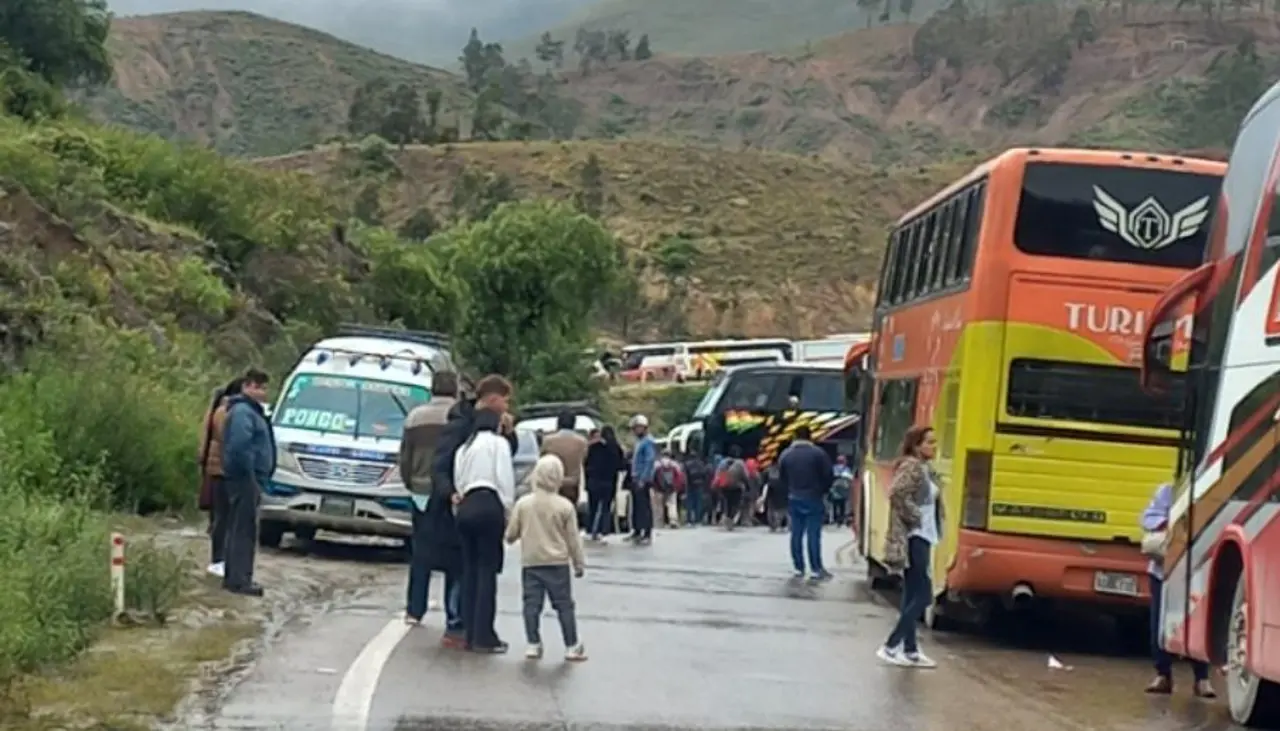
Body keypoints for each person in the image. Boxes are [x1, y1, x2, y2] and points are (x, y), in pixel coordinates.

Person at [452, 376, 517, 654]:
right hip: (488, 504)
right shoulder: (497, 445)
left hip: (466, 506)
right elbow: (504, 480)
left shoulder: (465, 447)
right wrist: (507, 510)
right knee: (487, 571)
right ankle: (484, 635)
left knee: (469, 570)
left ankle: (467, 633)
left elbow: (458, 479)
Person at [399, 370, 463, 644]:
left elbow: (404, 456)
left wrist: (411, 483)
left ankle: (415, 609)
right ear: (455, 389)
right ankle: (453, 612)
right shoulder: (460, 418)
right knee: (453, 552)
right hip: (451, 493)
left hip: (421, 491)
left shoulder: (415, 417)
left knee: (421, 552)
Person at [505, 454, 588, 662]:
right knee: (564, 605)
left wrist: (511, 536)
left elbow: (511, 534)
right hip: (557, 563)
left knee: (531, 605)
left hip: (531, 562)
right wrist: (578, 563)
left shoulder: (524, 504)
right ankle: (571, 645)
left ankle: (533, 643)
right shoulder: (564, 506)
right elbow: (573, 539)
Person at [877, 425, 943, 669]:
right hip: (914, 535)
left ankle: (911, 650)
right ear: (917, 446)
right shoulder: (912, 466)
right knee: (924, 593)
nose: (934, 447)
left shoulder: (925, 468)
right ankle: (890, 645)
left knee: (911, 594)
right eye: (930, 442)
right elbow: (896, 493)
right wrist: (916, 517)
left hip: (924, 534)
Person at [1142, 483, 1215, 697]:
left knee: (1198, 621)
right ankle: (1163, 674)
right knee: (1160, 623)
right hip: (1163, 570)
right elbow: (1148, 517)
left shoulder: (1214, 488)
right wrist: (1168, 523)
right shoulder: (1169, 490)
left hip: (1197, 568)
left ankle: (1202, 678)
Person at [220, 369, 274, 597]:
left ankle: (235, 577)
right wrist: (250, 476)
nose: (262, 392)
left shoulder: (251, 412)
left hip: (248, 478)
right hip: (244, 479)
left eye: (264, 388)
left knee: (239, 528)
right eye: (258, 387)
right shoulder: (243, 413)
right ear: (247, 386)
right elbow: (240, 447)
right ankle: (239, 580)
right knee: (244, 530)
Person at [198, 377, 242, 579]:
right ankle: (218, 560)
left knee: (221, 518)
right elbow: (231, 439)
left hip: (218, 469)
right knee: (223, 519)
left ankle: (221, 560)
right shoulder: (225, 413)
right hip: (222, 470)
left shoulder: (221, 410)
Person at [778, 427, 834, 580]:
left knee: (796, 533)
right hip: (814, 497)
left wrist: (789, 490)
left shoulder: (786, 455)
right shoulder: (819, 454)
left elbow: (781, 476)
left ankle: (798, 567)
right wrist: (822, 490)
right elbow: (828, 475)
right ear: (810, 437)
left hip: (794, 496)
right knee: (813, 534)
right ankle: (816, 568)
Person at [585, 426, 625, 541]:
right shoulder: (616, 448)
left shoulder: (594, 447)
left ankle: (591, 530)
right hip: (610, 481)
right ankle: (604, 531)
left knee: (593, 506)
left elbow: (586, 463)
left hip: (594, 480)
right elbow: (621, 465)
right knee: (606, 508)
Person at [541, 410, 589, 506]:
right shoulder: (582, 442)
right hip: (572, 485)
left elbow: (542, 460)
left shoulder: (548, 441)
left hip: (552, 483)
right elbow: (584, 459)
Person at [628, 415, 657, 545]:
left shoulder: (648, 442)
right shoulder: (639, 442)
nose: (635, 431)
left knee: (644, 506)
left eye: (637, 428)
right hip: (636, 477)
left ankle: (646, 531)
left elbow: (649, 461)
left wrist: (643, 478)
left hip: (642, 478)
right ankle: (637, 530)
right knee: (637, 506)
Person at [712, 445, 749, 530]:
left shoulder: (723, 462)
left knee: (727, 504)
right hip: (736, 487)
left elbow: (718, 475)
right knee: (735, 505)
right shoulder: (740, 463)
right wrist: (747, 485)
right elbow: (745, 476)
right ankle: (730, 520)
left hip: (724, 487)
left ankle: (727, 519)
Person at [652, 449, 686, 528]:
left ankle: (659, 522)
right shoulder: (674, 464)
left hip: (658, 488)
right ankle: (673, 520)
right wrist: (678, 487)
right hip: (672, 488)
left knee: (658, 506)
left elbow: (652, 476)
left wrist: (654, 486)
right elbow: (680, 477)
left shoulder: (657, 464)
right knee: (672, 505)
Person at [681, 444, 711, 527]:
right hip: (699, 485)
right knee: (698, 503)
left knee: (689, 504)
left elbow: (685, 476)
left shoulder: (686, 464)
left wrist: (685, 487)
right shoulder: (701, 464)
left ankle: (689, 520)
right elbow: (705, 475)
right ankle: (698, 520)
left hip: (690, 486)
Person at [759, 462, 788, 532]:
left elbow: (764, 484)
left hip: (773, 492)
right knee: (781, 510)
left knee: (772, 509)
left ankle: (774, 525)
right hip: (782, 494)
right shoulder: (785, 475)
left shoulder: (768, 472)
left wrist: (763, 496)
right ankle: (780, 524)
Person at [829, 456, 853, 526]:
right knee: (842, 505)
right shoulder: (846, 469)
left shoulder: (834, 468)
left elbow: (831, 476)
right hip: (843, 489)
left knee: (834, 505)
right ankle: (841, 518)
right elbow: (850, 477)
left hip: (835, 489)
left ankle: (835, 518)